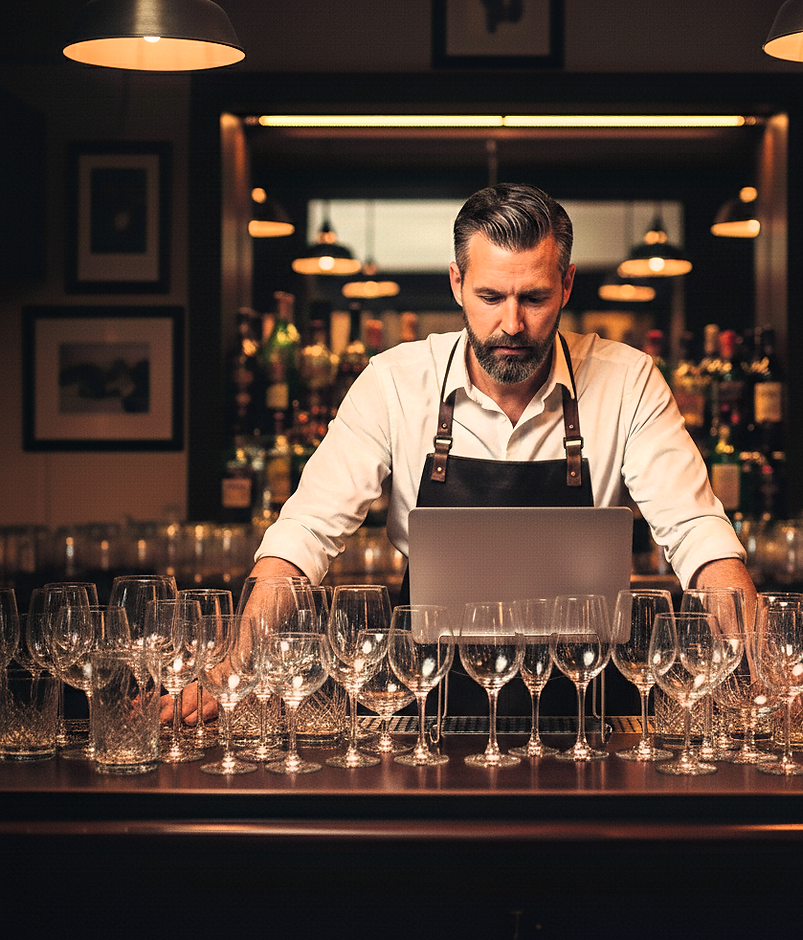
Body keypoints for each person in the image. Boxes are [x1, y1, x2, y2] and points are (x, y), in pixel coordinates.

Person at [168, 183, 754, 722]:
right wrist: (232, 669)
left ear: (567, 285)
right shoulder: (394, 382)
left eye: (535, 298)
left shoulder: (628, 381)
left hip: (584, 701)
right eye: (490, 296)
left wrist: (769, 672)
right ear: (456, 283)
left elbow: (700, 537)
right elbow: (301, 538)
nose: (512, 324)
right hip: (426, 697)